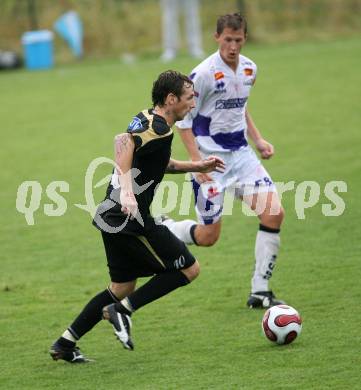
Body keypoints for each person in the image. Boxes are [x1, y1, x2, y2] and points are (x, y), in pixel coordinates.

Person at [49, 70, 225, 363]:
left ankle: (65, 343)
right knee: (188, 269)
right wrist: (128, 190)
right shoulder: (153, 125)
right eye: (189, 98)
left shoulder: (157, 124)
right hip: (130, 218)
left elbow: (158, 162)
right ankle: (122, 311)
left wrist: (197, 166)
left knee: (121, 287)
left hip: (112, 216)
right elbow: (123, 142)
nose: (192, 104)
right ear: (171, 99)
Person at [161, 13, 287, 309]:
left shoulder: (249, 69)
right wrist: (197, 164)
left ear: (245, 38)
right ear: (217, 38)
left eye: (238, 40)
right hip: (210, 162)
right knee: (207, 237)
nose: (233, 46)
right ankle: (168, 228)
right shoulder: (201, 75)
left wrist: (258, 139)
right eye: (227, 39)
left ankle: (260, 290)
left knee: (273, 213)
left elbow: (240, 106)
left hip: (242, 156)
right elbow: (184, 122)